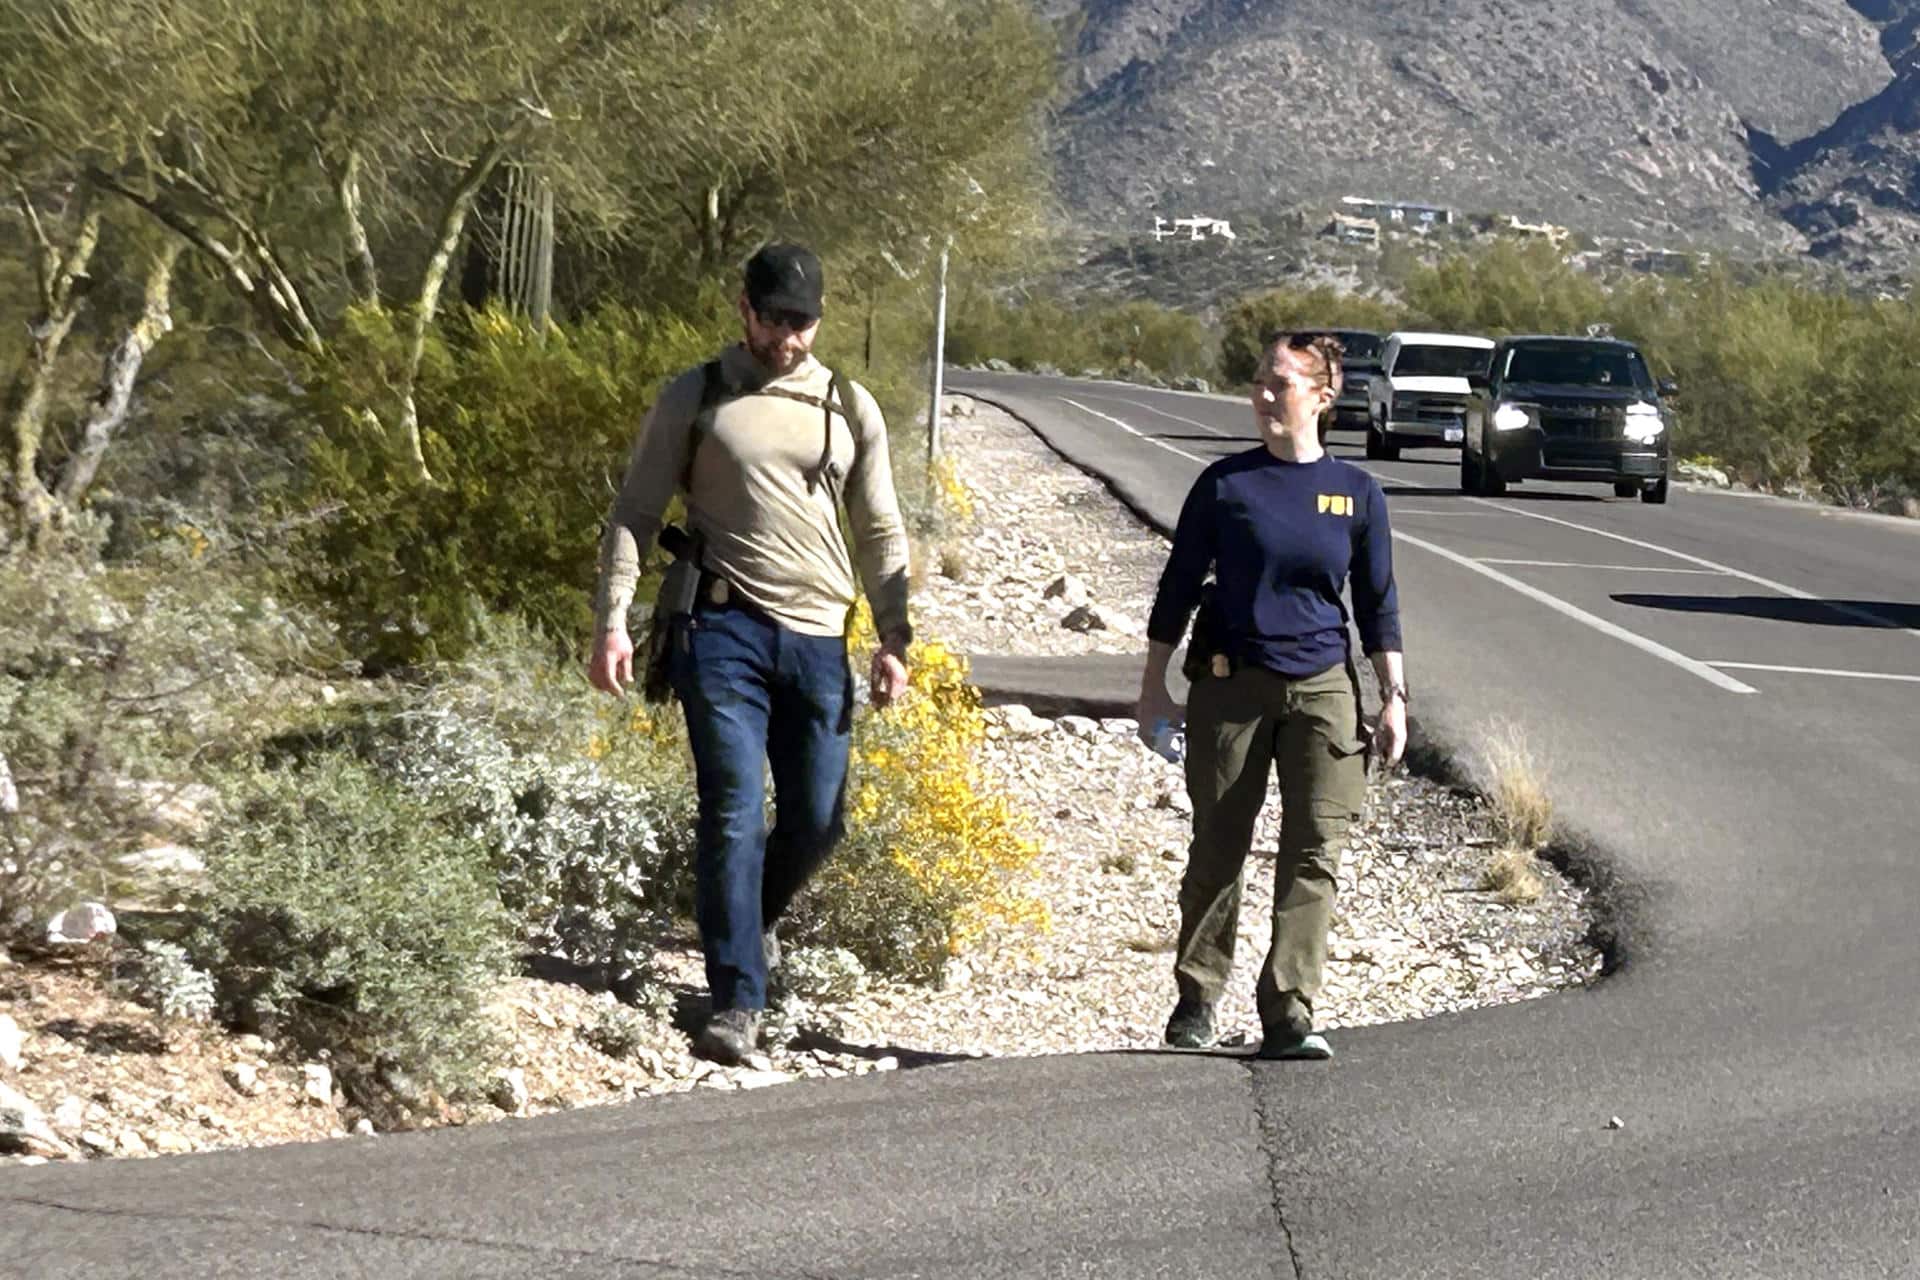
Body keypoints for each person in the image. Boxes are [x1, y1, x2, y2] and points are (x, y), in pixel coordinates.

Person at [588, 243, 912, 1064]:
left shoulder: (848, 406)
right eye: (772, 320)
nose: (786, 339)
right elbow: (634, 510)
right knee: (732, 808)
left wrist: (895, 636)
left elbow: (879, 528)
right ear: (744, 308)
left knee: (818, 816)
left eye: (801, 323)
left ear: (820, 320)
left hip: (819, 636)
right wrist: (612, 621)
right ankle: (736, 999)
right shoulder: (697, 396)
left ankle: (750, 918)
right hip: (720, 631)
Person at [1135, 331, 1407, 1061]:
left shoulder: (1358, 494)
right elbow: (1178, 589)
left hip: (1322, 687)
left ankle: (1289, 1008)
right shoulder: (1226, 487)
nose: (1262, 395)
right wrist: (1153, 685)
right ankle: (1196, 997)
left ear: (1322, 395)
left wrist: (1394, 698)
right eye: (1257, 381)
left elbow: (1378, 603)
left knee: (1315, 849)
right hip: (1231, 688)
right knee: (1219, 845)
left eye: (1279, 383)